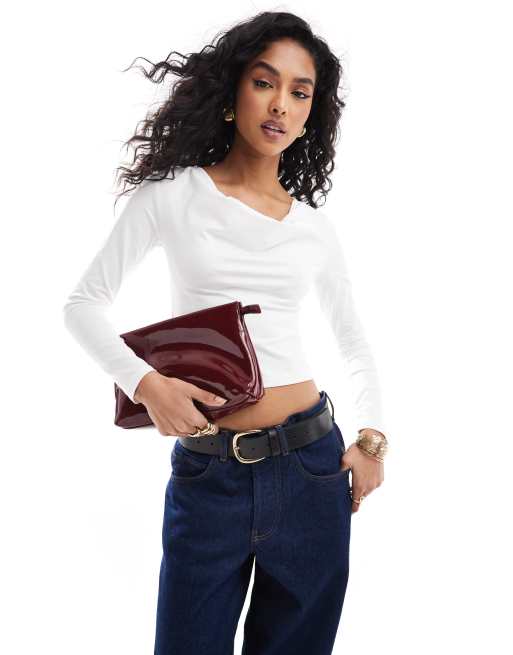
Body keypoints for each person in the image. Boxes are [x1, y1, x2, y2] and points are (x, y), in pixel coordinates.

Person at [62, 10, 389, 655]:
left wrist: (373, 441)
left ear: (311, 114)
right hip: (209, 474)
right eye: (266, 82)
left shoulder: (313, 227)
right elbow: (82, 304)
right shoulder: (172, 196)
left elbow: (353, 341)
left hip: (313, 469)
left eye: (300, 92)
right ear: (234, 89)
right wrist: (147, 384)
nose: (281, 104)